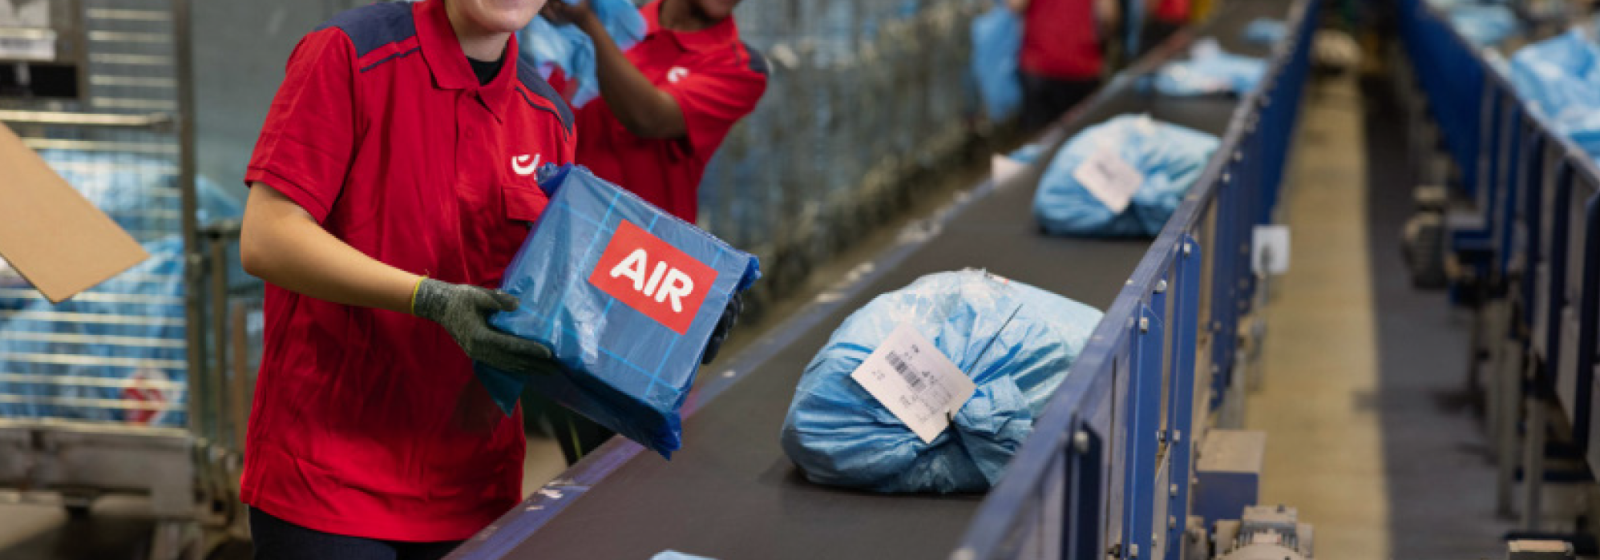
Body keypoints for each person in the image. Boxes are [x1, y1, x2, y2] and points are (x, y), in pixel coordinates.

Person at [237, 0, 575, 557]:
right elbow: (268, 236)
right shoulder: (350, 54)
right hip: (328, 478)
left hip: (474, 485)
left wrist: (678, 321)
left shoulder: (547, 115)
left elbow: (551, 294)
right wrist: (430, 299)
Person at [532, 0, 766, 463]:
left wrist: (589, 26)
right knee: (575, 442)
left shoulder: (739, 66)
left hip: (647, 277)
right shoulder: (623, 16)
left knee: (628, 452)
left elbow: (650, 117)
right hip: (566, 255)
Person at [1010, 0, 1119, 133]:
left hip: (1040, 64)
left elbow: (1015, 5)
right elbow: (1108, 16)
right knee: (1084, 140)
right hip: (1084, 64)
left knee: (1041, 144)